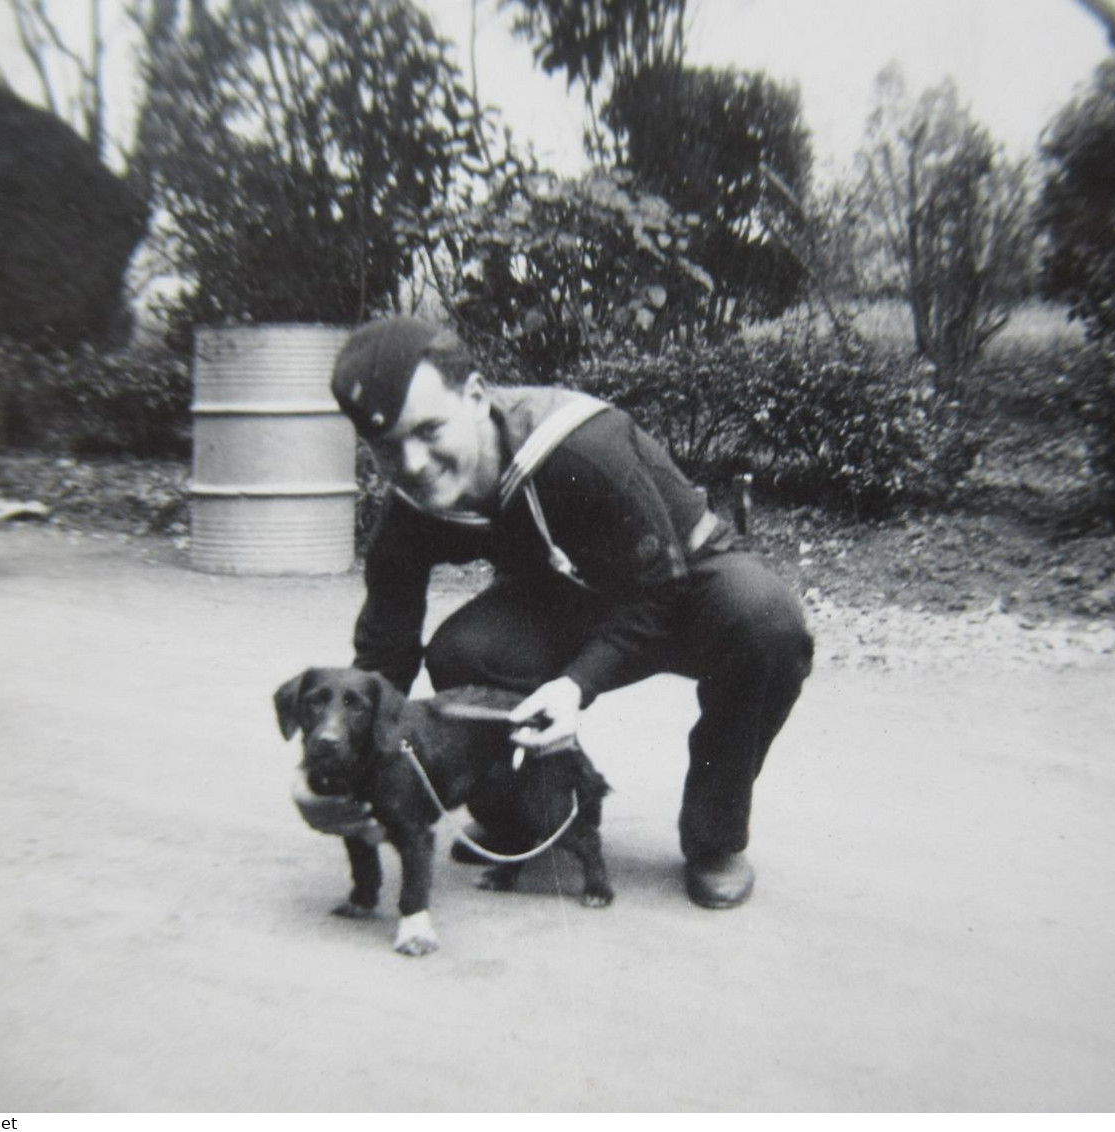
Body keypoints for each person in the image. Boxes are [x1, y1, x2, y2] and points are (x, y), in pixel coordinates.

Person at [331, 316, 813, 909]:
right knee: (465, 652)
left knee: (767, 623)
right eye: (386, 446)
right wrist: (354, 758)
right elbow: (385, 648)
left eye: (429, 430)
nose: (413, 463)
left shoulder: (580, 445)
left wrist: (576, 685)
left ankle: (714, 838)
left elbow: (659, 589)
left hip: (685, 583)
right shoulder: (409, 511)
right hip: (572, 597)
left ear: (476, 396)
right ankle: (524, 819)